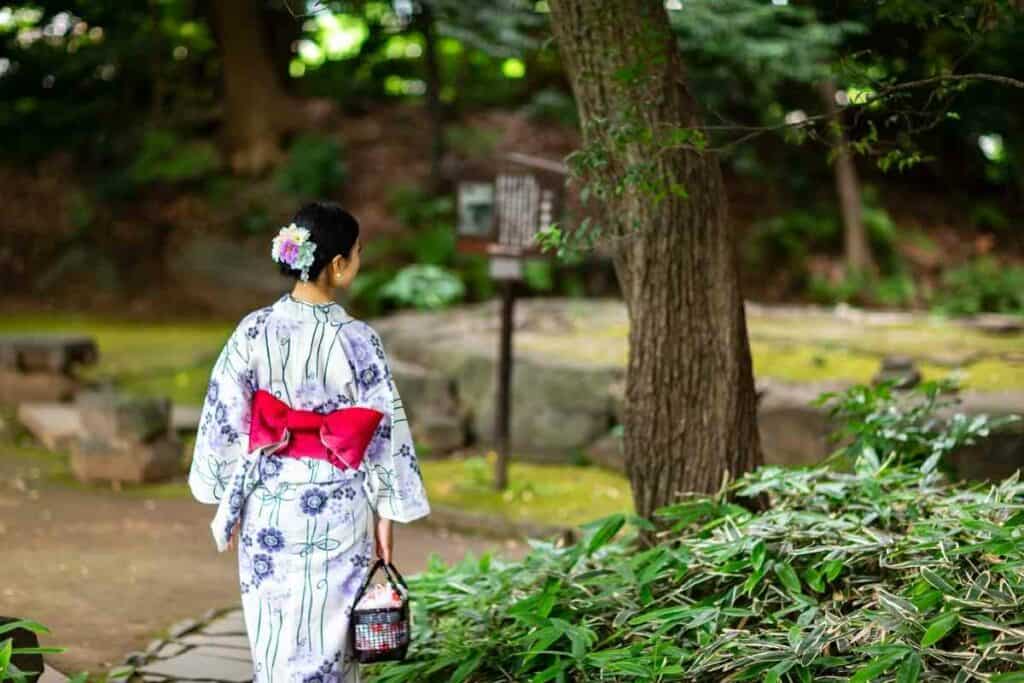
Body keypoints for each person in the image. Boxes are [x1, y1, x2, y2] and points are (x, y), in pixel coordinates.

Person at [188, 201, 430, 682]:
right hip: (340, 503)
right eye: (357, 253)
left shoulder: (253, 329)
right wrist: (387, 513)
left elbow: (225, 416)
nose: (358, 262)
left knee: (273, 632)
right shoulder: (359, 339)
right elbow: (384, 432)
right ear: (337, 264)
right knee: (330, 640)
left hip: (269, 501)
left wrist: (227, 491)